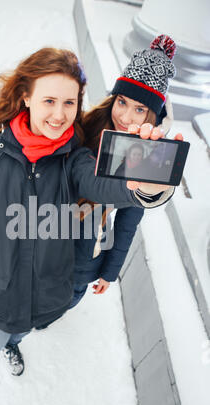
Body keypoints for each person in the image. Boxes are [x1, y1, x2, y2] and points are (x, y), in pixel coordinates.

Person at [0, 47, 175, 374]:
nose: (59, 115)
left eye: (69, 103)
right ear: (26, 97)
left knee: (19, 335)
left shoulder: (76, 157)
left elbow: (103, 187)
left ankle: (13, 342)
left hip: (49, 291)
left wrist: (147, 184)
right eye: (49, 101)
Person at [67, 34, 183, 308]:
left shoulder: (140, 155)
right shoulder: (83, 131)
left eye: (139, 109)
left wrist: (109, 271)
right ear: (112, 99)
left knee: (67, 301)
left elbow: (128, 223)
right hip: (48, 236)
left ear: (151, 116)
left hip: (85, 257)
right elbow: (87, 181)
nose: (126, 117)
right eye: (122, 102)